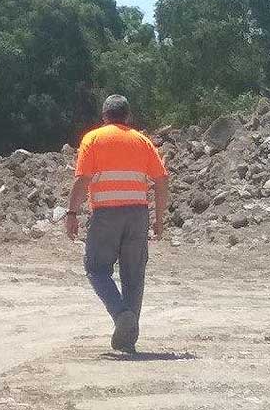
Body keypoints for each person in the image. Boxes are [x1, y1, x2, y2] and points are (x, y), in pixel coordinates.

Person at [65, 95, 170, 354]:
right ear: (127, 117)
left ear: (104, 116)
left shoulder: (94, 139)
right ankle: (127, 339)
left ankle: (121, 314)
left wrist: (71, 213)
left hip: (106, 215)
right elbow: (161, 181)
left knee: (96, 268)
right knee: (134, 276)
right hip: (137, 215)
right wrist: (159, 219)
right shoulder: (142, 141)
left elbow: (82, 181)